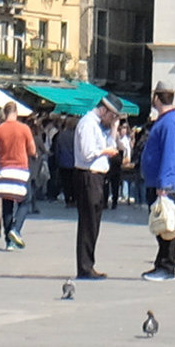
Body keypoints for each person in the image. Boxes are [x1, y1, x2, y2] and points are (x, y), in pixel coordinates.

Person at [137, 86, 175, 277]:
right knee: (161, 224)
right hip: (159, 180)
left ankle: (167, 267)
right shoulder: (167, 120)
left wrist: (163, 184)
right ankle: (161, 263)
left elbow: (168, 154)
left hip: (164, 182)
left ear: (157, 98)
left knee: (166, 225)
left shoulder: (168, 122)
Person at [70, 99, 117, 279]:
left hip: (97, 176)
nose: (112, 119)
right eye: (111, 116)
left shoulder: (98, 126)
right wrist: (105, 152)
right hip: (88, 175)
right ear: (104, 110)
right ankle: (84, 266)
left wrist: (113, 127)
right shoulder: (88, 124)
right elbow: (88, 152)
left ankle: (89, 263)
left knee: (94, 222)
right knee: (88, 222)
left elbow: (110, 144)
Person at [0, 103, 34, 251]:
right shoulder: (24, 128)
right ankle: (16, 229)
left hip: (5, 169)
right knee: (26, 201)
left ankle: (8, 241)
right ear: (16, 112)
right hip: (21, 169)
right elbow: (32, 150)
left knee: (7, 205)